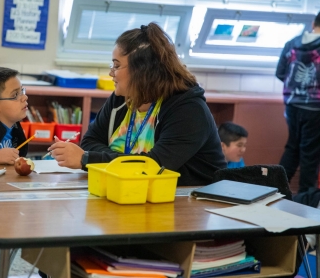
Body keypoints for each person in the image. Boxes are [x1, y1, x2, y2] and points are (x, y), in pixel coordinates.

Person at [48, 23, 226, 186]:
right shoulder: (123, 97)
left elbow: (153, 167)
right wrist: (127, 161)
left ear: (142, 71)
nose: (111, 73)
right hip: (135, 191)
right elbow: (90, 141)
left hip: (190, 200)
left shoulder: (188, 110)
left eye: (117, 66)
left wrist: (87, 160)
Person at [276, 11, 320, 192]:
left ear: (313, 23)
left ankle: (275, 191)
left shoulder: (291, 44)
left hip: (292, 105)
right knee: (310, 154)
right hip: (315, 108)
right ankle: (306, 201)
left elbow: (280, 73)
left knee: (292, 148)